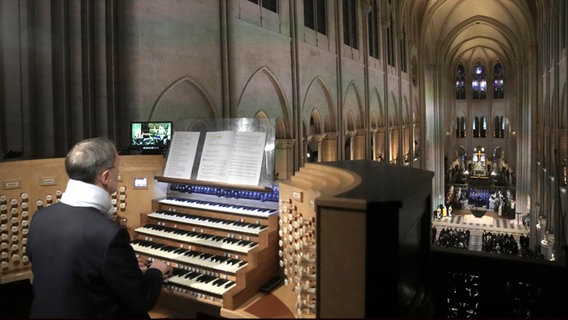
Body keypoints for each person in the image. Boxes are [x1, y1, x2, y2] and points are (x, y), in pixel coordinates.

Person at [26, 137, 172, 318]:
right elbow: (143, 299)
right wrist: (155, 271)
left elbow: (72, 271)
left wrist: (124, 270)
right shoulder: (109, 234)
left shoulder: (40, 218)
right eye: (117, 168)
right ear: (105, 177)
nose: (119, 175)